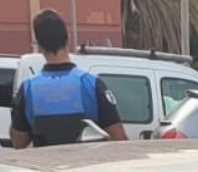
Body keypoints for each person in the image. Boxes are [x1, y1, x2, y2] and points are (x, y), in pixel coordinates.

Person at [9, 11, 124, 149]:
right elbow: (119, 139)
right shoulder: (91, 84)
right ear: (68, 38)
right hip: (85, 168)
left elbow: (19, 142)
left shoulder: (28, 89)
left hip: (47, 168)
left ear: (39, 45)